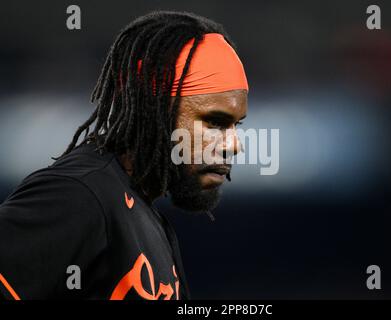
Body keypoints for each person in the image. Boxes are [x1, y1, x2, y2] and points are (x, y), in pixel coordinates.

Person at [0, 10, 249, 300]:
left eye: (236, 125)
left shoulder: (149, 219)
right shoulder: (80, 195)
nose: (234, 144)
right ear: (153, 107)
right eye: (214, 122)